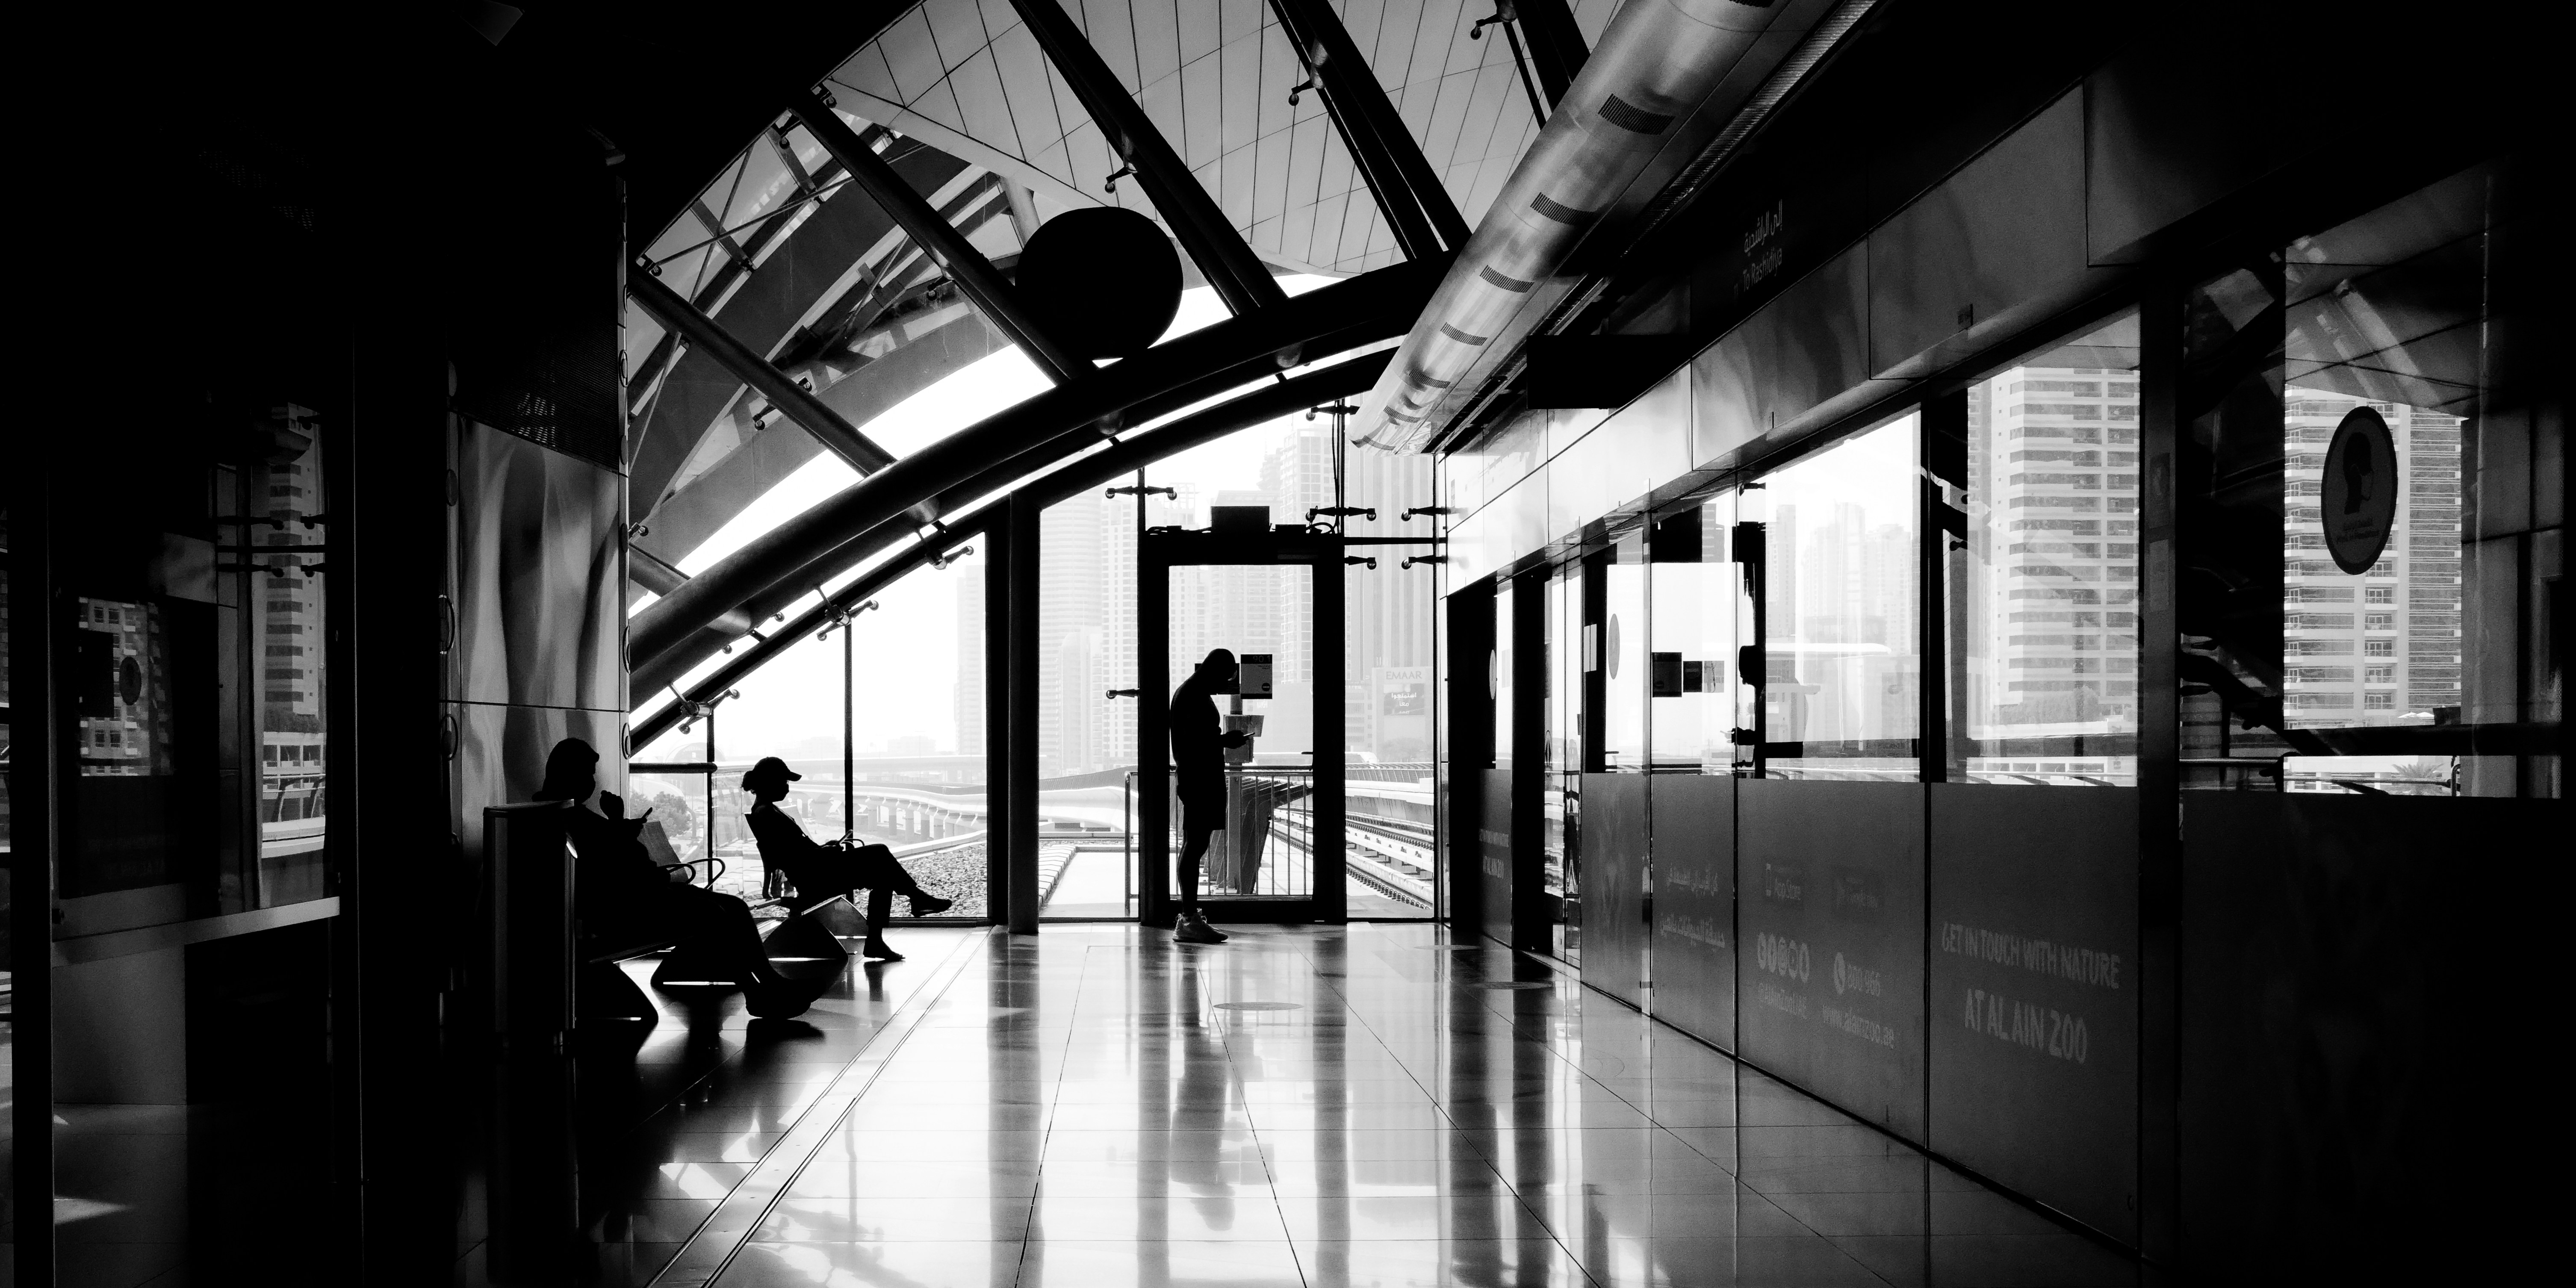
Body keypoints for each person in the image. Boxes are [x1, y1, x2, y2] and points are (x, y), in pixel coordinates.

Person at [534, 738, 819, 1018]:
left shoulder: (569, 813)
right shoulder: (561, 817)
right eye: (588, 772)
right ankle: (754, 991)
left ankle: (767, 980)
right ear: (570, 773)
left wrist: (619, 828)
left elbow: (614, 855)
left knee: (735, 906)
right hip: (626, 906)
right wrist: (619, 826)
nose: (593, 780)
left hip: (640, 894)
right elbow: (615, 861)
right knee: (713, 913)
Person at [741, 756, 953, 962]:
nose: (787, 787)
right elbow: (796, 858)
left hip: (815, 870)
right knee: (879, 852)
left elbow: (794, 853)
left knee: (884, 877)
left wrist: (824, 849)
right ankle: (915, 901)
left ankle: (889, 929)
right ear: (770, 782)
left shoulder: (766, 811)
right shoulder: (767, 814)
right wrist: (826, 853)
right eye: (784, 782)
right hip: (815, 877)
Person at [1168, 648, 1251, 945]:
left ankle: (1189, 917)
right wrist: (1224, 740)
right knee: (1195, 844)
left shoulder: (1191, 692)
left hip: (1199, 777)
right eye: (1224, 678)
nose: (1224, 685)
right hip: (1199, 778)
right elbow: (1195, 742)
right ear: (1214, 670)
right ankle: (1188, 919)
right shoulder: (1193, 695)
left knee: (1195, 843)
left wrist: (1220, 741)